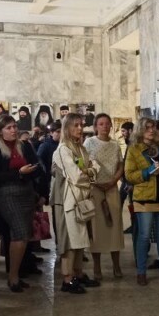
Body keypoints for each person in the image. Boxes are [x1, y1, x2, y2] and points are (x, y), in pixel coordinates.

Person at [0, 113, 42, 292]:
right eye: (9, 128)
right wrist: (19, 173)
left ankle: (16, 272)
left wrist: (29, 174)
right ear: (0, 131)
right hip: (8, 194)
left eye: (15, 127)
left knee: (24, 234)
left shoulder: (24, 145)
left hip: (26, 192)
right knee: (19, 231)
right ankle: (13, 276)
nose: (13, 130)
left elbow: (37, 166)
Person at [124, 118, 159, 285]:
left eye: (153, 128)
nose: (151, 130)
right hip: (144, 199)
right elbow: (129, 176)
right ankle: (141, 272)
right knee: (144, 236)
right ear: (140, 130)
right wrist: (149, 171)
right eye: (147, 128)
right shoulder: (134, 149)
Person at [52, 113, 100, 293]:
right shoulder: (63, 150)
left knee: (81, 239)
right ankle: (67, 278)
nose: (80, 129)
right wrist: (89, 172)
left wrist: (88, 171)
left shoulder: (80, 148)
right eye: (75, 125)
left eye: (81, 125)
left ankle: (78, 273)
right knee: (70, 241)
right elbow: (76, 176)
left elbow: (95, 166)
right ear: (67, 128)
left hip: (83, 198)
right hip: (69, 201)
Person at [84, 113, 125, 279]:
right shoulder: (89, 142)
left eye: (107, 124)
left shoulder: (115, 145)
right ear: (96, 126)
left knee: (114, 226)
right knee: (97, 228)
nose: (105, 127)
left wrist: (113, 180)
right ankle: (97, 267)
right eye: (101, 124)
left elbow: (121, 165)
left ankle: (116, 265)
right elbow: (85, 165)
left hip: (111, 188)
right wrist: (94, 182)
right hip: (95, 189)